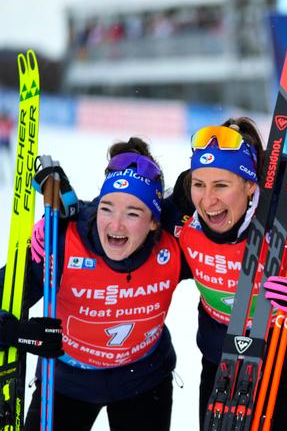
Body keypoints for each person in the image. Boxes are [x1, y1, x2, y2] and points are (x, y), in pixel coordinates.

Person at [162, 117, 287, 431]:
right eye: (199, 184)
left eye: (221, 185)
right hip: (223, 369)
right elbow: (129, 224)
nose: (208, 199)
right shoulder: (182, 218)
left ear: (248, 185)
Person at [0, 137, 186, 431]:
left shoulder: (172, 246)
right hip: (66, 386)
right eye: (107, 208)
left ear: (154, 221)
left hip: (143, 382)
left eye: (133, 213)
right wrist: (23, 334)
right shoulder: (61, 243)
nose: (115, 225)